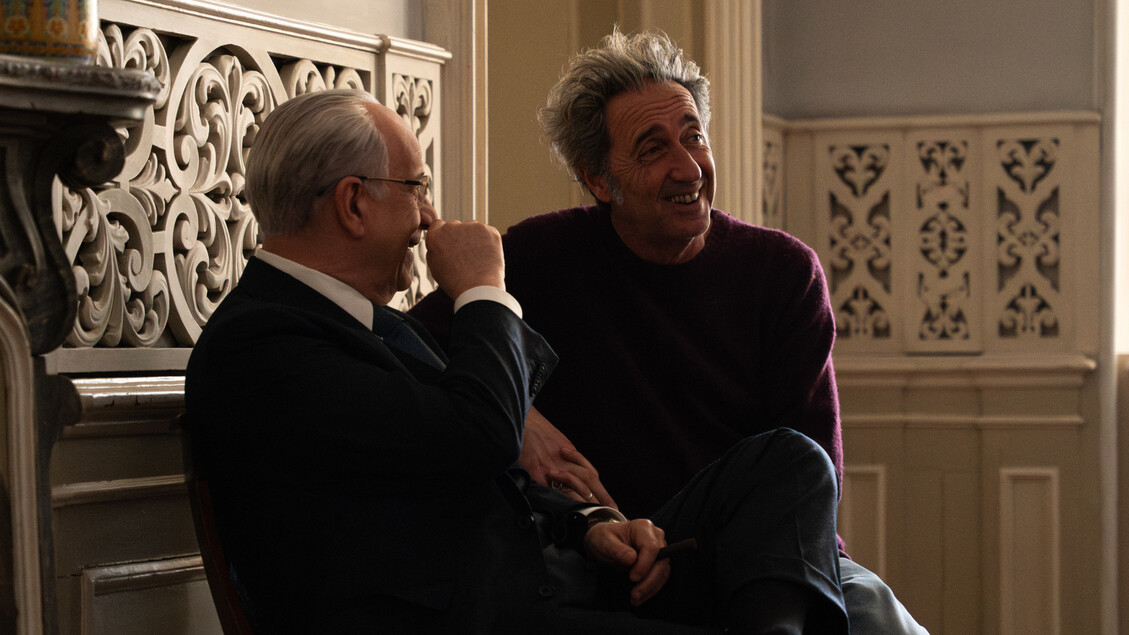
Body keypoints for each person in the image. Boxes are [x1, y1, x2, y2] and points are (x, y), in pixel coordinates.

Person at [184, 88, 848, 633]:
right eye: (415, 186)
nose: (428, 216)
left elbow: (469, 460)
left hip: (555, 581)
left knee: (791, 461)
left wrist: (589, 525)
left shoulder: (372, 324)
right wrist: (482, 288)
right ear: (354, 203)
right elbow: (479, 435)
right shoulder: (263, 345)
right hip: (485, 616)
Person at [410, 29, 928, 634]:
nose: (688, 167)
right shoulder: (538, 257)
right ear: (600, 180)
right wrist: (519, 416)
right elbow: (405, 349)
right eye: (653, 149)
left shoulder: (783, 272)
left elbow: (816, 474)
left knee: (875, 610)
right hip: (608, 554)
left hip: (754, 553)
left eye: (694, 136)